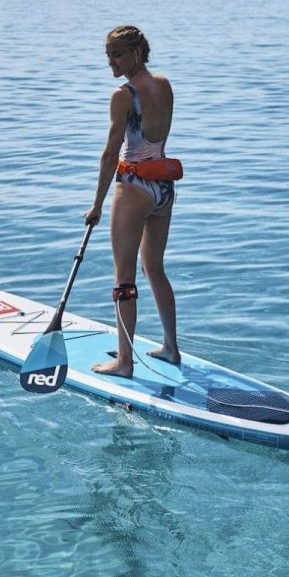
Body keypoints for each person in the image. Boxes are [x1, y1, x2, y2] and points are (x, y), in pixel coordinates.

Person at [84, 25, 180, 376]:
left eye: (118, 54)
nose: (111, 61)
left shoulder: (123, 95)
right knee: (154, 268)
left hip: (135, 189)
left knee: (124, 278)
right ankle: (171, 348)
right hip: (164, 190)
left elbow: (111, 153)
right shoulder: (164, 85)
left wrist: (96, 204)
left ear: (136, 53)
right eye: (108, 55)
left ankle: (124, 363)